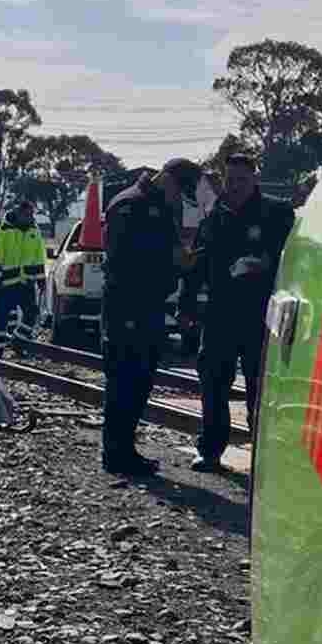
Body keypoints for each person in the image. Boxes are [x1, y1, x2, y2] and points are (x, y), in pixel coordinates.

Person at [179, 153, 296, 475]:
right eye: (230, 180)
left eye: (242, 180)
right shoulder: (214, 217)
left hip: (263, 315)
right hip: (220, 314)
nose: (235, 186)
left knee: (261, 388)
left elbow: (294, 258)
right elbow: (197, 266)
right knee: (213, 383)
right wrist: (186, 306)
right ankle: (210, 451)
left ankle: (264, 457)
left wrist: (266, 264)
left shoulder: (277, 213)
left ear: (254, 179)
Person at [100, 159, 194, 476]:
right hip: (127, 308)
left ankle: (126, 450)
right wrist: (170, 264)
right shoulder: (130, 204)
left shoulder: (158, 206)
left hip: (148, 307)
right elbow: (123, 263)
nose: (179, 198)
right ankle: (116, 455)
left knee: (140, 381)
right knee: (123, 382)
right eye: (179, 191)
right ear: (167, 179)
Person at [0, 198, 47, 358]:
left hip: (26, 282)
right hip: (6, 284)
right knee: (2, 319)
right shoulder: (3, 231)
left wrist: (41, 279)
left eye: (31, 214)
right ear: (18, 213)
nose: (30, 217)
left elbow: (39, 256)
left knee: (31, 313)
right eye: (27, 214)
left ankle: (18, 341)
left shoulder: (34, 232)